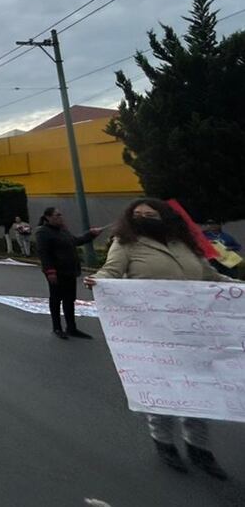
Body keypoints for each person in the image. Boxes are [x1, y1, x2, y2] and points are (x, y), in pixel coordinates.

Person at [85, 199, 234, 479]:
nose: (142, 218)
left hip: (193, 331)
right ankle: (164, 442)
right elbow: (112, 272)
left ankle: (199, 448)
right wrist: (98, 280)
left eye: (149, 214)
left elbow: (210, 276)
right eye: (137, 214)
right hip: (151, 333)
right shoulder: (126, 242)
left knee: (199, 391)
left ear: (164, 216)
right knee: (163, 391)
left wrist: (238, 289)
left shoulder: (184, 243)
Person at [35, 207, 100, 339]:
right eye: (57, 215)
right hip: (56, 272)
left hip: (70, 271)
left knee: (69, 300)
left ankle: (71, 327)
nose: (60, 218)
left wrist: (91, 234)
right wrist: (50, 271)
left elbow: (75, 241)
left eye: (60, 215)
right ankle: (57, 327)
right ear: (48, 217)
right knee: (56, 299)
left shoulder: (63, 230)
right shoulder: (43, 232)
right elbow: (44, 253)